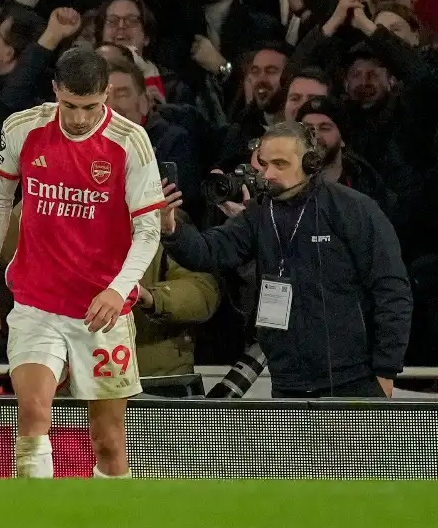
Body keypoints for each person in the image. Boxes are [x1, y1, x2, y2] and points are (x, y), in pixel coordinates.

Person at [0, 48, 165, 479]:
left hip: (101, 312)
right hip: (37, 303)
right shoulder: (23, 128)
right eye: (71, 106)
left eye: (91, 107)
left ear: (108, 95)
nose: (79, 118)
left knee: (109, 442)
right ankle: (36, 525)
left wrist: (119, 289)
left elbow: (149, 230)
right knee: (33, 413)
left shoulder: (130, 141)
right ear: (56, 90)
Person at [160, 122, 411, 398]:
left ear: (311, 163)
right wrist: (172, 228)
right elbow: (207, 252)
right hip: (288, 381)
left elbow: (392, 290)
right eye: (265, 164)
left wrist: (386, 370)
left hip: (354, 378)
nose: (268, 174)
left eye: (280, 164)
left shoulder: (352, 208)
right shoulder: (259, 213)